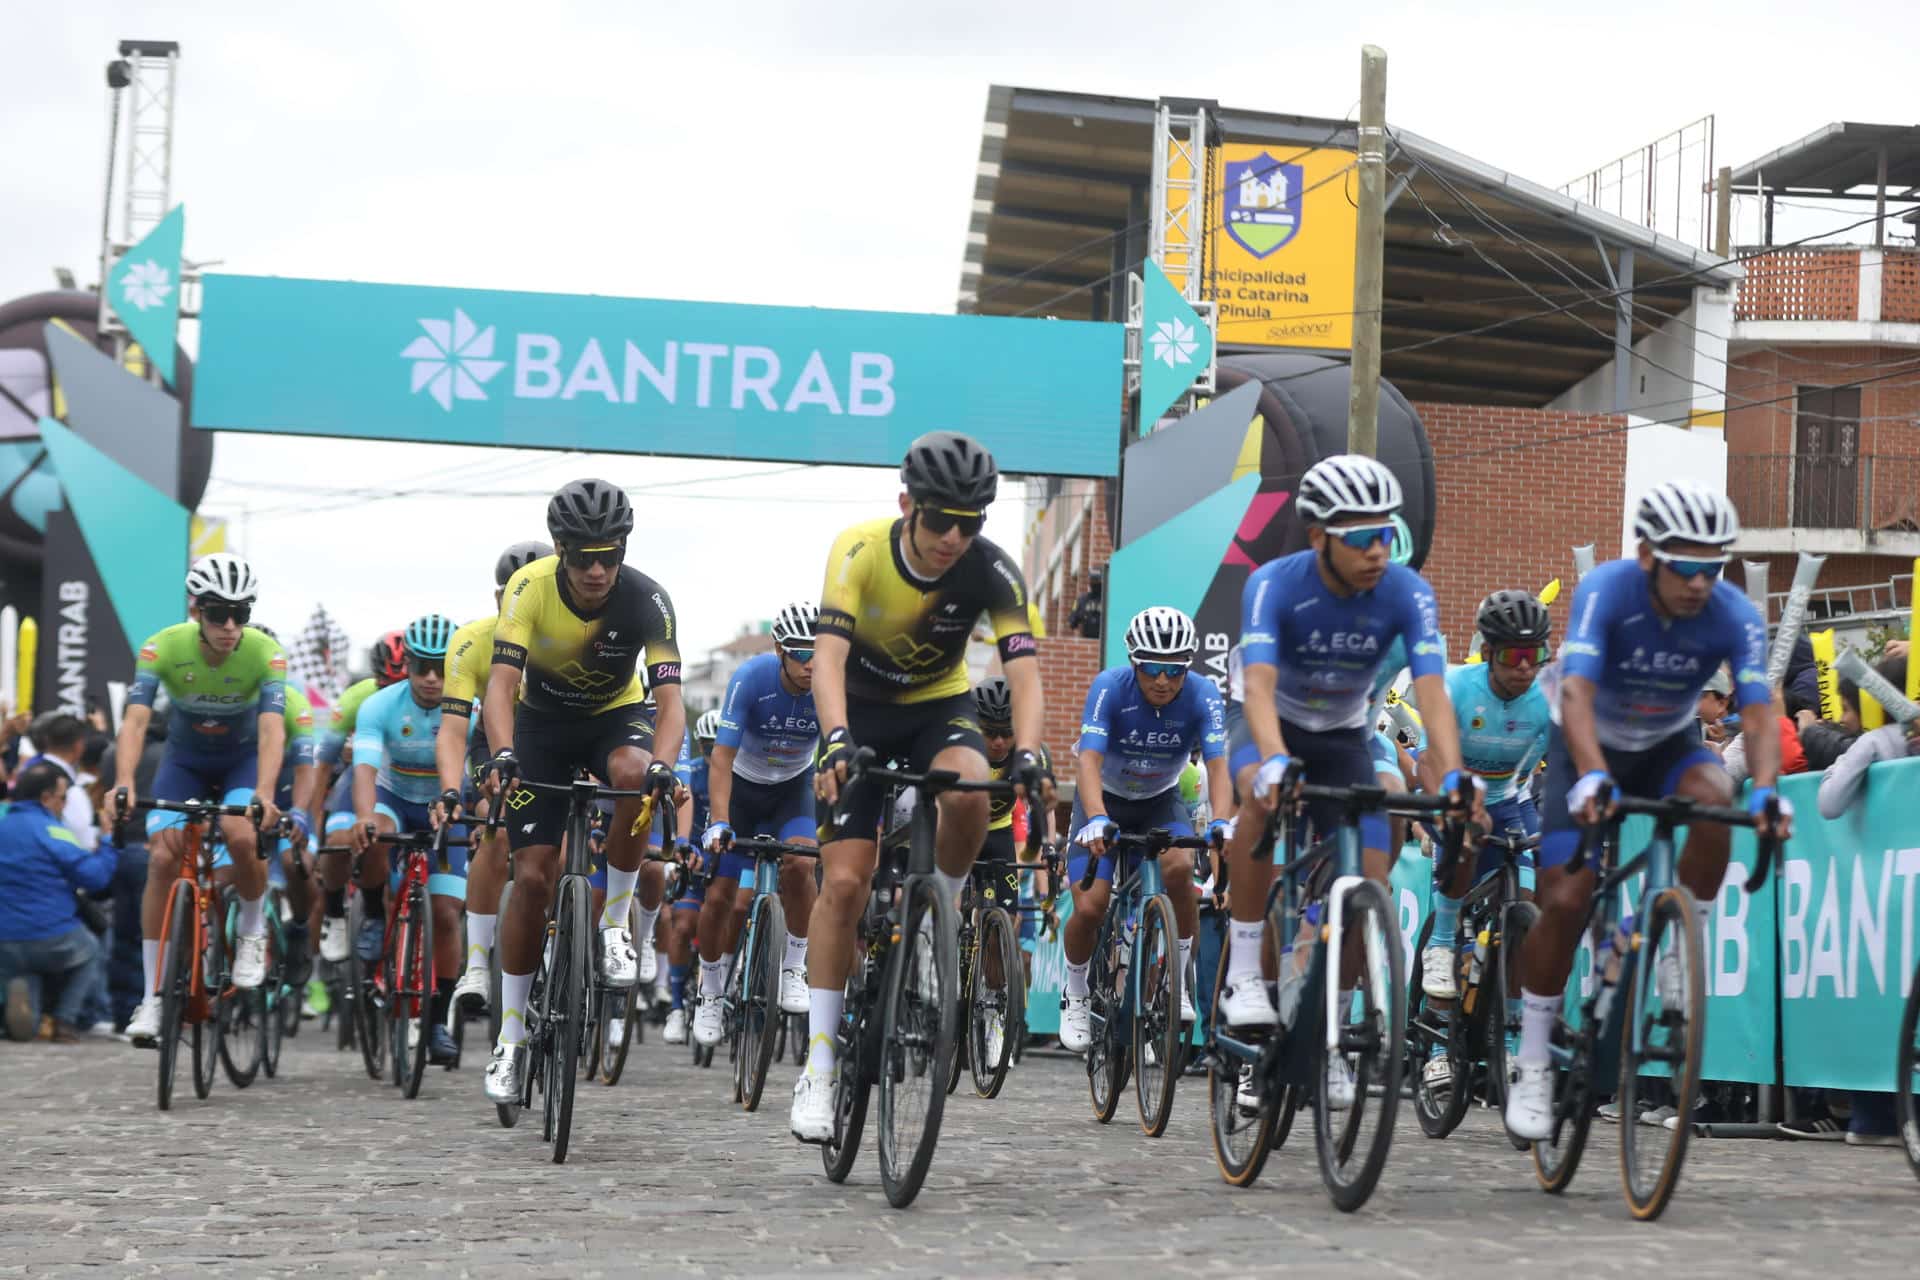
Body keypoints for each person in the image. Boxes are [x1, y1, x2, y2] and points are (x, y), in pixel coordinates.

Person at [1503, 482, 1793, 1140]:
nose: (1699, 582)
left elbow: (1756, 709)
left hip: (1668, 745)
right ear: (1646, 556)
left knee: (1717, 798)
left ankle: (1678, 939)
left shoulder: (1732, 612)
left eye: (1712, 566)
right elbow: (1574, 691)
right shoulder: (1607, 590)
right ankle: (1533, 1058)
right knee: (1568, 900)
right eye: (1685, 566)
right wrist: (1593, 778)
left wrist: (1770, 789)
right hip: (1587, 744)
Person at [796, 431, 1049, 1143]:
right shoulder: (859, 551)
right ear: (907, 504)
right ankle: (818, 1066)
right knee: (844, 885)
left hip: (938, 707)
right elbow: (827, 659)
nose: (953, 537)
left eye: (971, 523)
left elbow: (1024, 674)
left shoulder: (993, 572)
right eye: (941, 520)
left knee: (975, 789)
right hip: (860, 712)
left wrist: (1027, 752)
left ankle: (940, 904)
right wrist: (837, 736)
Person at [1219, 453, 1478, 1110]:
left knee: (1367, 879)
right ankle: (1246, 975)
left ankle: (1330, 1031)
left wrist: (1453, 778)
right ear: (1318, 538)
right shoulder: (1276, 584)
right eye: (1361, 537)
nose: (1378, 550)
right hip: (1270, 723)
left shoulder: (1406, 592)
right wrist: (1275, 762)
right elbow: (1258, 685)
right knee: (1258, 796)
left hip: (1342, 737)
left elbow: (1433, 697)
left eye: (1386, 534)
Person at [480, 479, 685, 1105]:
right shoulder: (529, 588)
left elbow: (671, 702)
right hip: (539, 726)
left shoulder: (648, 598)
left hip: (613, 720)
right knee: (534, 877)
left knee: (633, 774)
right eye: (583, 556)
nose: (598, 570)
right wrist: (503, 753)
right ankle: (511, 1039)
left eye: (610, 555)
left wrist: (664, 766)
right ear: (559, 551)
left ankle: (616, 923)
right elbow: (500, 684)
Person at [106, 554, 287, 1046]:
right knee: (162, 855)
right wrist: (123, 782)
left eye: (240, 614)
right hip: (183, 763)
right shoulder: (161, 647)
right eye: (216, 613)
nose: (230, 626)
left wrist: (265, 792)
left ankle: (252, 931)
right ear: (196, 610)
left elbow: (272, 730)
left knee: (240, 833)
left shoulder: (266, 652)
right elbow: (136, 720)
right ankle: (153, 997)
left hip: (240, 762)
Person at [1058, 606, 1230, 1052]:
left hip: (1159, 803)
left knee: (1178, 870)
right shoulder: (1109, 688)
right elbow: (1089, 761)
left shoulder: (1203, 694)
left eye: (1174, 670)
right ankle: (1075, 992)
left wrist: (1220, 822)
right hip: (1104, 801)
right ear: (1134, 663)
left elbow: (1218, 766)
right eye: (1151, 667)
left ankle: (1179, 978)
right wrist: (1096, 818)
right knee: (1092, 907)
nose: (1162, 680)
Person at [1416, 589, 1552, 1094]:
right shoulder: (1456, 686)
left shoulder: (1546, 700)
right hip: (1453, 789)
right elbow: (1427, 760)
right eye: (1515, 656)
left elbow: (1565, 768)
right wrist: (1450, 811)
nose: (1526, 668)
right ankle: (1444, 942)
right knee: (1468, 841)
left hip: (1509, 800)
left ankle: (1515, 1041)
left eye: (1536, 654)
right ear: (1489, 652)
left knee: (1529, 905)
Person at [693, 602, 821, 1046]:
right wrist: (720, 821)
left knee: (802, 867)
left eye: (819, 653)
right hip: (743, 789)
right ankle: (709, 992)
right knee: (722, 897)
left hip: (792, 789)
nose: (812, 664)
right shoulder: (751, 679)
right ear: (780, 650)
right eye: (802, 654)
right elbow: (722, 759)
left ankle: (792, 967)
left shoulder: (829, 686)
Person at [433, 539, 552, 1018]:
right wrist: (449, 789)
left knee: (559, 845)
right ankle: (478, 963)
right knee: (498, 826)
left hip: (551, 745)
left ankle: (557, 941)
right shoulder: (472, 640)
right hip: (495, 747)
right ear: (497, 598)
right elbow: (454, 730)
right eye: (510, 594)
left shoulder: (568, 642)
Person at [348, 612, 463, 1064]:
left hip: (445, 805)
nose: (432, 679)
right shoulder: (380, 706)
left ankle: (436, 1021)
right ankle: (375, 914)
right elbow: (364, 769)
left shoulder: (466, 708)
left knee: (448, 915)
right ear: (408, 666)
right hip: (394, 797)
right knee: (375, 833)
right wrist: (362, 817)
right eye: (422, 667)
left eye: (443, 668)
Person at [1, 762, 116, 1041]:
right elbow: (95, 877)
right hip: (52, 933)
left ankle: (24, 1015)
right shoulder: (53, 831)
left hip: (4, 937)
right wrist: (109, 840)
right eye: (62, 798)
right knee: (90, 950)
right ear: (46, 798)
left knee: (24, 971)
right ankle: (65, 1019)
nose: (64, 806)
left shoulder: (3, 823)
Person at [663, 711, 715, 1045]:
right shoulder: (692, 773)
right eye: (707, 745)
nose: (713, 751)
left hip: (724, 858)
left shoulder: (743, 772)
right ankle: (677, 1006)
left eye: (717, 744)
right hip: (692, 857)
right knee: (682, 925)